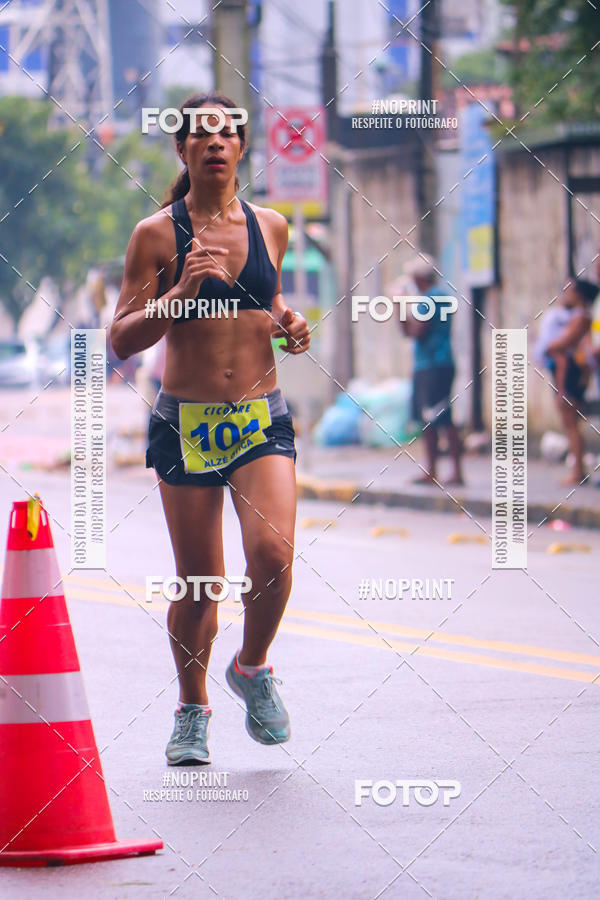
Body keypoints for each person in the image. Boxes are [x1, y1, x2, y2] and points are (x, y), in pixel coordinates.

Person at [110, 93, 310, 765]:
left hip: (258, 418)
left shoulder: (271, 225)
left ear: (242, 148)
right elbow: (121, 338)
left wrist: (289, 324)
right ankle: (192, 709)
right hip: (187, 423)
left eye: (227, 134)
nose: (216, 143)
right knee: (200, 585)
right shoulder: (156, 235)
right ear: (183, 149)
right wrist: (176, 295)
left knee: (274, 555)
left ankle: (251, 667)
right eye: (202, 133)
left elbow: (268, 303)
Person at [399, 254, 463, 486]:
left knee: (435, 419)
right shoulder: (443, 296)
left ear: (419, 278)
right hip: (441, 363)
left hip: (431, 365)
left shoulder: (429, 300)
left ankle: (438, 471)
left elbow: (416, 332)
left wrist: (400, 306)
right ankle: (445, 471)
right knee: (441, 418)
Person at [536, 279, 597, 484]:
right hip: (567, 372)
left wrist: (550, 346)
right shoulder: (573, 316)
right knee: (569, 422)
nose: (566, 295)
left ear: (579, 295)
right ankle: (578, 469)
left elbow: (563, 343)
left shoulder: (581, 317)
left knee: (571, 422)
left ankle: (578, 471)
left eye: (570, 291)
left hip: (571, 373)